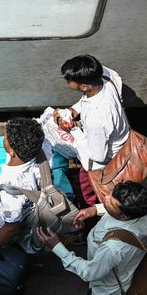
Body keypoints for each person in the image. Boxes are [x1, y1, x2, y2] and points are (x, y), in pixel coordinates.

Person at [37, 181, 147, 295]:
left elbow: (90, 272)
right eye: (110, 195)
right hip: (127, 272)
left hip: (105, 291)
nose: (105, 198)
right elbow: (114, 206)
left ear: (124, 216)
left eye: (110, 203)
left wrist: (57, 247)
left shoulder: (113, 248)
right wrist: (95, 210)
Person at [54, 55, 129, 207]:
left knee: (87, 189)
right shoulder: (107, 75)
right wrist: (73, 110)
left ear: (85, 86)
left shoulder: (97, 119)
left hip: (104, 162)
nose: (68, 82)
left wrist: (72, 129)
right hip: (123, 140)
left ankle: (91, 211)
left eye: (69, 81)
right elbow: (89, 99)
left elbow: (98, 156)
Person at [0, 117, 47, 258]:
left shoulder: (10, 186)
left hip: (10, 226)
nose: (3, 137)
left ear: (12, 152)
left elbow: (11, 227)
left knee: (3, 236)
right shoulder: (38, 155)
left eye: (6, 137)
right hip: (32, 210)